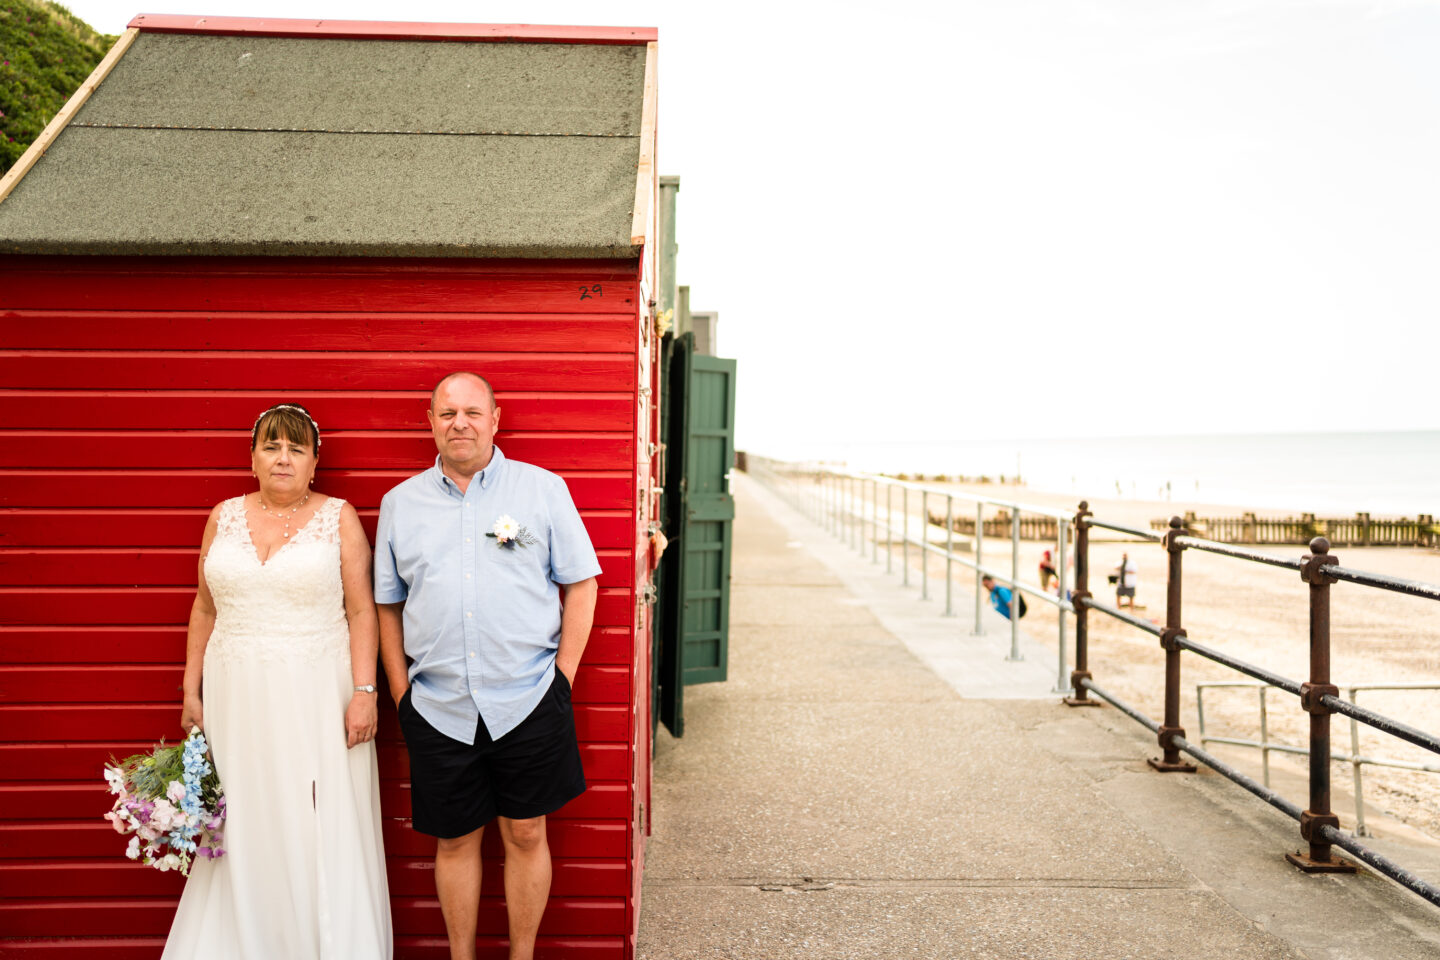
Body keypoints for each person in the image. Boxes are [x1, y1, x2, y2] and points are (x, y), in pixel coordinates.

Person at [375, 372, 601, 960]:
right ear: (430, 421)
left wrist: (563, 679)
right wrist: (402, 693)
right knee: (453, 840)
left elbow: (582, 585)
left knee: (527, 832)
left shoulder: (542, 490)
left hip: (528, 697)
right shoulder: (400, 504)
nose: (461, 424)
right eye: (448, 413)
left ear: (496, 419)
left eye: (473, 412)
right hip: (438, 706)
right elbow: (387, 604)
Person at [164, 404, 392, 958]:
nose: (283, 458)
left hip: (316, 694)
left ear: (315, 462)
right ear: (253, 458)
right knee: (243, 816)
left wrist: (365, 693)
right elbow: (204, 607)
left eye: (296, 448)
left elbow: (363, 612)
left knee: (311, 818)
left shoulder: (338, 517)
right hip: (235, 693)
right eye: (271, 447)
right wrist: (191, 689)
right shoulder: (224, 515)